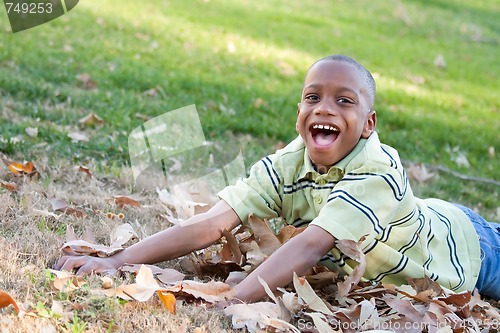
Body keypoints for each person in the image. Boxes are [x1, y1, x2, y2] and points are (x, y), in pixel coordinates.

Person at [55, 55, 500, 301]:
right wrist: (118, 261)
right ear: (299, 114)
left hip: (470, 250)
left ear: (368, 123)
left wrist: (232, 299)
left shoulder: (378, 170)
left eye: (344, 101)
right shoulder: (287, 165)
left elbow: (311, 245)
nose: (325, 108)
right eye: (313, 97)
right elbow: (213, 224)